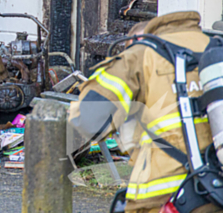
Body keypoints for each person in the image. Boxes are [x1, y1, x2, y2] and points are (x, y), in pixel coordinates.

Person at [68, 11, 219, 213]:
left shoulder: (141, 54)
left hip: (166, 197)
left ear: (138, 39)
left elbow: (89, 120)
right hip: (217, 190)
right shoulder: (215, 50)